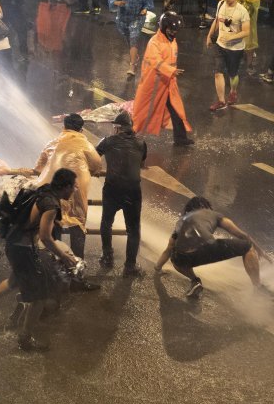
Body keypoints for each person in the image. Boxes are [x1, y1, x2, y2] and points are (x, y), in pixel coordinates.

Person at [5, 168, 78, 351]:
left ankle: (18, 321)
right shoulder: (51, 205)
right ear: (66, 186)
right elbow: (45, 236)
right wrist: (63, 256)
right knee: (39, 296)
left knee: (36, 289)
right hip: (23, 249)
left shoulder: (43, 190)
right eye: (74, 186)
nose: (75, 190)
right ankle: (24, 339)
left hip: (15, 244)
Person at [155, 197, 272, 298]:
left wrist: (157, 268)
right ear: (205, 206)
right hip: (207, 249)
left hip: (182, 258)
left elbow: (168, 249)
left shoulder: (181, 222)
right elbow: (242, 235)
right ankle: (257, 287)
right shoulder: (214, 215)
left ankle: (195, 281)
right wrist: (259, 250)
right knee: (247, 246)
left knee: (175, 257)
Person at [31, 113, 101, 259]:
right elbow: (96, 166)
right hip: (73, 191)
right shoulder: (86, 145)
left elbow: (38, 169)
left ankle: (54, 262)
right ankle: (77, 264)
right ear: (81, 130)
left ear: (64, 126)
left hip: (50, 192)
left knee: (52, 224)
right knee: (77, 222)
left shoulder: (52, 143)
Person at [132, 11, 194, 146]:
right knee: (144, 111)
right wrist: (171, 71)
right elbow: (155, 61)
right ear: (164, 27)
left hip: (169, 82)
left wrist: (172, 73)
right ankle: (130, 134)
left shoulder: (172, 40)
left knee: (177, 110)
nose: (174, 33)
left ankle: (180, 139)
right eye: (172, 30)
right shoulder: (154, 42)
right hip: (153, 84)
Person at [96, 112, 147, 276]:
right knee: (133, 229)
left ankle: (107, 257)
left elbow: (92, 157)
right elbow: (142, 162)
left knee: (106, 223)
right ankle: (130, 266)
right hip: (133, 191)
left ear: (117, 128)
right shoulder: (141, 143)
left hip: (112, 189)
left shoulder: (107, 141)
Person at [206, 0, 250, 111]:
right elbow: (216, 20)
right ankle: (221, 101)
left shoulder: (242, 11)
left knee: (233, 74)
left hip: (235, 49)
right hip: (220, 45)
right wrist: (209, 35)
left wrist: (232, 36)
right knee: (218, 72)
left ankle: (233, 91)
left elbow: (246, 31)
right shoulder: (220, 4)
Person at [108, 0, 154, 75]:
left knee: (134, 37)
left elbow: (148, 1)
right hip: (123, 17)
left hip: (138, 17)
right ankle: (134, 55)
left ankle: (132, 65)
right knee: (128, 37)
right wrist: (117, 2)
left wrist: (145, 9)